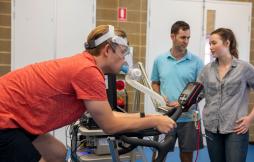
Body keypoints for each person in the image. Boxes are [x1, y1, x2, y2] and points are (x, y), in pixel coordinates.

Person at [0, 25, 176, 162]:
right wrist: (153, 121)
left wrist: (148, 116)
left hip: (19, 119)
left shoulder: (86, 65)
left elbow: (110, 115)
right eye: (123, 52)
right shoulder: (88, 71)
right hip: (5, 121)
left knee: (58, 153)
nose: (125, 58)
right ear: (107, 50)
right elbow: (110, 125)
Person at [197, 28, 254, 162]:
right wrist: (180, 103)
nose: (211, 47)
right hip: (211, 127)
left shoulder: (244, 68)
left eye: (214, 43)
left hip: (236, 128)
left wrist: (250, 118)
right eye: (210, 44)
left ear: (227, 43)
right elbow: (197, 94)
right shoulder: (206, 70)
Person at [151, 21, 204, 162]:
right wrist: (159, 97)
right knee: (158, 155)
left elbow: (201, 91)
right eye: (182, 37)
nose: (186, 41)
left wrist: (183, 104)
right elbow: (155, 83)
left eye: (188, 38)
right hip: (164, 117)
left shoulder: (197, 62)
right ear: (172, 37)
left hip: (188, 118)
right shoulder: (160, 60)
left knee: (186, 157)